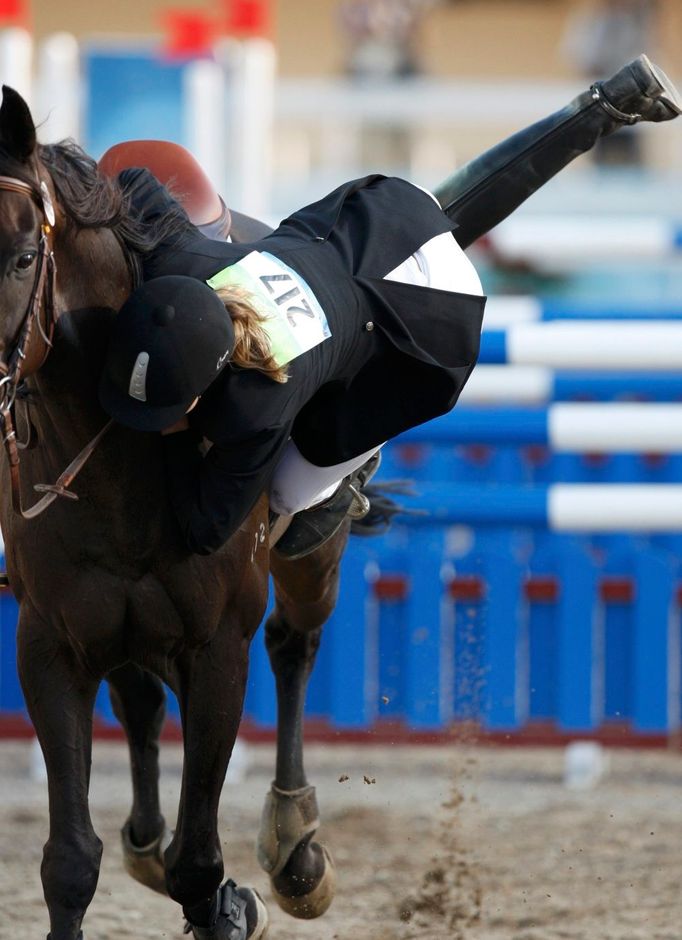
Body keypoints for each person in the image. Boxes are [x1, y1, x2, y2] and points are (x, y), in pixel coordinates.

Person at [99, 54, 681, 560]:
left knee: (288, 499)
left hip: (426, 321)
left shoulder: (258, 409)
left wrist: (174, 435)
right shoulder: (186, 258)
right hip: (371, 223)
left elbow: (204, 532)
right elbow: (134, 179)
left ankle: (347, 477)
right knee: (441, 215)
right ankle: (605, 104)